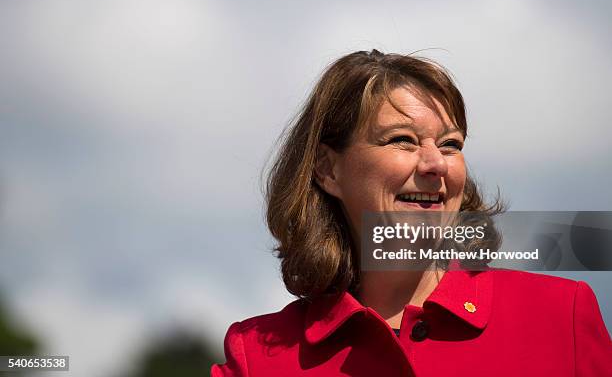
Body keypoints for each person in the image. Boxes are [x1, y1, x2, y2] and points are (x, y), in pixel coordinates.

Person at [211, 50, 612, 376]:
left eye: (451, 144)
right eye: (402, 140)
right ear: (327, 170)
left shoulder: (561, 316)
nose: (435, 163)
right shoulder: (259, 357)